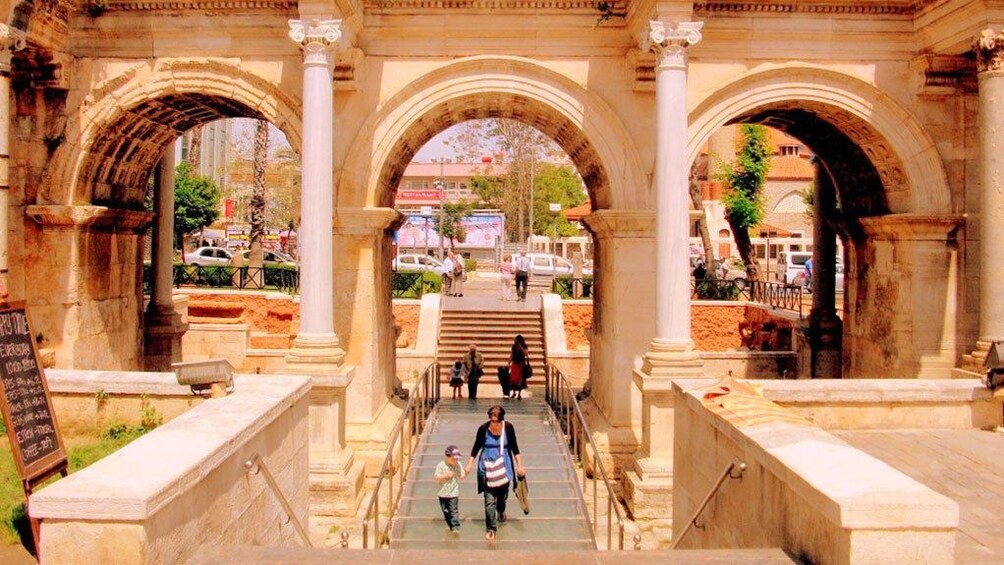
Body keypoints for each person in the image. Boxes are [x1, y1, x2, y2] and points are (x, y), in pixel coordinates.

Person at [465, 405, 526, 541]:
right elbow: (476, 446)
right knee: (489, 501)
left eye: (496, 422)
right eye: (491, 421)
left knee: (502, 497)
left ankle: (501, 510)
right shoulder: (483, 429)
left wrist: (520, 465)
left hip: (504, 467)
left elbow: (515, 447)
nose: (493, 425)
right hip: (486, 467)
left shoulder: (508, 428)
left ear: (501, 421)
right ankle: (491, 528)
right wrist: (470, 463)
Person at [435, 445, 466, 533]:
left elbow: (462, 476)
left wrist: (466, 471)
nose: (456, 460)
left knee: (453, 510)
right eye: (453, 459)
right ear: (447, 457)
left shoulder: (458, 465)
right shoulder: (441, 465)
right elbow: (436, 477)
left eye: (457, 458)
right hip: (442, 493)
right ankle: (450, 524)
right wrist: (445, 475)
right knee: (445, 510)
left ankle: (456, 526)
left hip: (453, 493)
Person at [508, 335, 529, 400]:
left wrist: (521, 347)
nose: (515, 341)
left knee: (520, 379)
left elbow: (525, 354)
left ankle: (519, 394)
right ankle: (514, 392)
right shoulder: (513, 346)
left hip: (521, 364)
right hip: (514, 363)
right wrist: (509, 362)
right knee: (513, 378)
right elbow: (511, 354)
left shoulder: (524, 346)